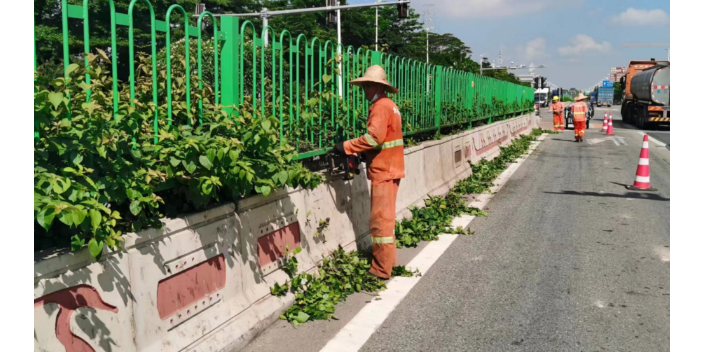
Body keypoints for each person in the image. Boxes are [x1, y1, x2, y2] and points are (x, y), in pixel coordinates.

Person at [333, 65, 405, 280]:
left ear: (375, 86)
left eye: (366, 86)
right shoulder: (390, 105)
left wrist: (345, 146)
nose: (363, 90)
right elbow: (385, 139)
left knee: (379, 222)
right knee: (387, 221)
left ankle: (381, 270)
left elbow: (375, 138)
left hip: (384, 170)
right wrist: (365, 155)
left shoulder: (380, 107)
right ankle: (389, 263)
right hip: (391, 167)